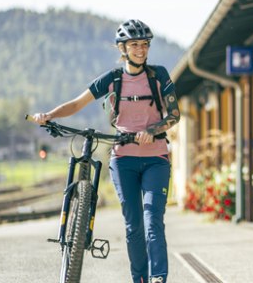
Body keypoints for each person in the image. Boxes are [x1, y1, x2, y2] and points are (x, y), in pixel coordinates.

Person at [30, 19, 180, 283]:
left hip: (156, 158)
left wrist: (154, 129)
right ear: (123, 48)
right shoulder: (113, 79)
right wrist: (49, 115)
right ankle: (140, 280)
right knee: (134, 228)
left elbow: (174, 114)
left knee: (152, 220)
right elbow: (77, 104)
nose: (141, 49)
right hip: (123, 161)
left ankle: (158, 278)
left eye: (145, 44)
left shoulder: (159, 76)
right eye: (135, 45)